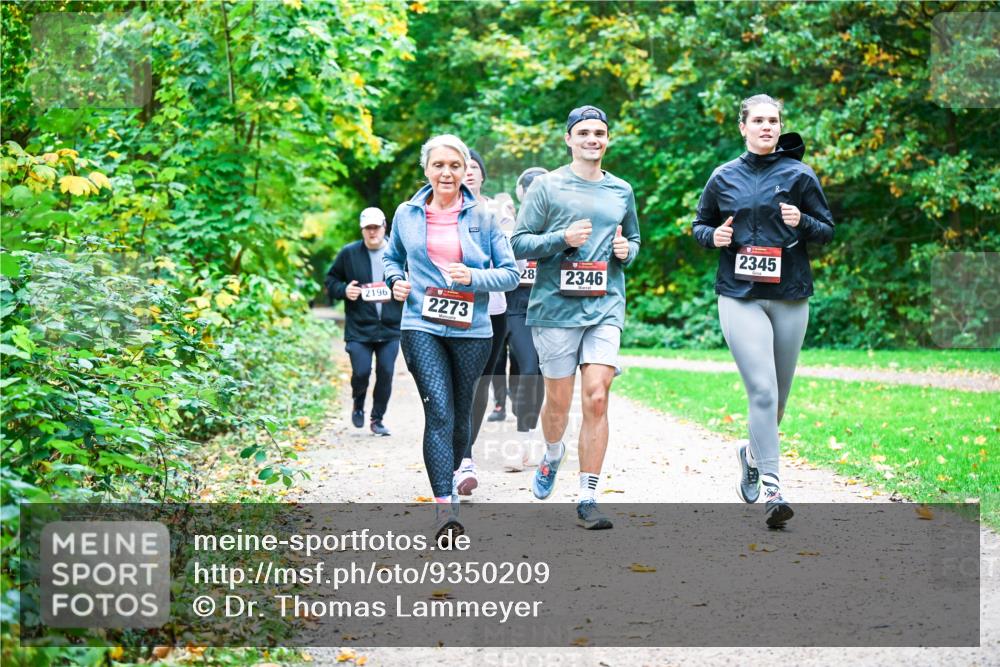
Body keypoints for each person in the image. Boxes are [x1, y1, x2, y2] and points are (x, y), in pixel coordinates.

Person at [693, 94, 834, 528]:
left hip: (790, 295)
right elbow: (700, 226)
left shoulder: (799, 174)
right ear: (743, 127)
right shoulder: (723, 177)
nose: (767, 127)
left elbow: (826, 230)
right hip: (739, 295)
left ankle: (751, 455)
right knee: (763, 391)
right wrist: (713, 237)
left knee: (779, 399)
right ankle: (774, 487)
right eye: (758, 120)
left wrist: (801, 222)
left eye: (773, 120)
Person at [383, 134, 519, 538]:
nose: (447, 172)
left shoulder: (486, 217)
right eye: (439, 165)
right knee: (438, 411)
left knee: (461, 416)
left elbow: (510, 273)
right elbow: (392, 257)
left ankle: (459, 467)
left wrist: (474, 277)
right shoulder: (407, 213)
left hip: (472, 328)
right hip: (420, 324)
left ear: (465, 171)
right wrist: (395, 280)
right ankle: (446, 509)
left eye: (455, 166)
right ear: (426, 169)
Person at [511, 107, 640, 530]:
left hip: (605, 302)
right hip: (554, 307)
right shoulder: (546, 187)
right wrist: (561, 239)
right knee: (559, 402)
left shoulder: (621, 189)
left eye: (599, 133)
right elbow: (519, 243)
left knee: (597, 396)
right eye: (583, 133)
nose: (592, 139)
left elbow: (633, 239)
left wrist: (627, 252)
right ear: (568, 139)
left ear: (608, 140)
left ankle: (588, 496)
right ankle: (552, 454)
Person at [454, 149, 516, 495]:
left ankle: (465, 453)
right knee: (459, 384)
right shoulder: (442, 213)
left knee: (480, 385)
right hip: (453, 310)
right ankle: (459, 458)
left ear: (482, 175)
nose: (470, 174)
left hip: (494, 309)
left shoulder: (498, 212)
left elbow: (513, 258)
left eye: (476, 168)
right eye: (466, 168)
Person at [324, 207, 402, 436]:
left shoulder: (397, 253)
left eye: (376, 227)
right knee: (361, 372)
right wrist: (344, 289)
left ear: (384, 227)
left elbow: (413, 278)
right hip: (359, 328)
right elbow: (331, 279)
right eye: (367, 228)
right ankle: (358, 403)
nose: (372, 232)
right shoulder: (349, 253)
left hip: (390, 327)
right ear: (362, 230)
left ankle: (377, 419)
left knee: (386, 372)